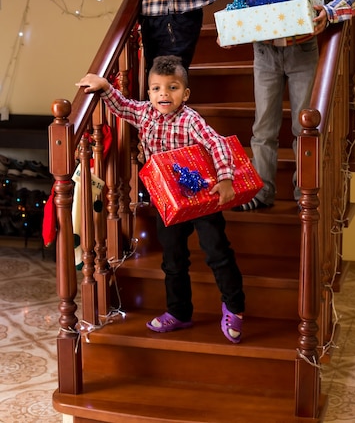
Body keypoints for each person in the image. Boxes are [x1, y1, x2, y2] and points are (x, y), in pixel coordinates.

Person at [76, 55, 245, 343]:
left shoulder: (191, 120)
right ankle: (179, 312)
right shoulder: (144, 113)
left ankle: (235, 307)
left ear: (185, 93)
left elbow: (216, 144)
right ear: (149, 93)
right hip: (167, 202)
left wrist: (226, 178)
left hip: (201, 196)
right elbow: (122, 105)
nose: (164, 94)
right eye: (156, 88)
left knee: (216, 251)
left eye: (173, 87)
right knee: (173, 257)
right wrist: (104, 86)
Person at [230, 0, 355, 211]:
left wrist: (329, 12)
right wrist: (229, 28)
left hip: (303, 52)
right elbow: (240, 4)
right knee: (263, 126)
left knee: (304, 124)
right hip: (265, 53)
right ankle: (262, 193)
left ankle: (303, 191)